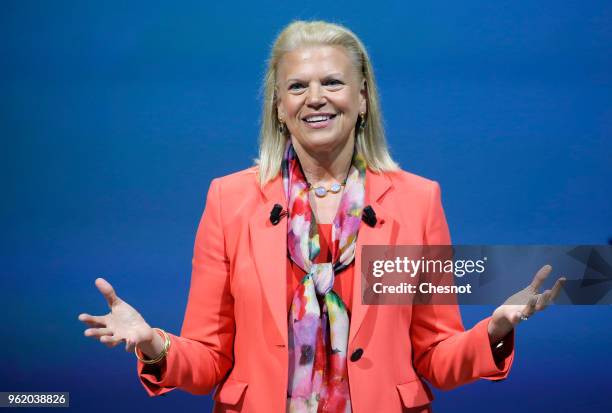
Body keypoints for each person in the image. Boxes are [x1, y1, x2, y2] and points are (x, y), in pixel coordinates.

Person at [78, 20, 566, 412]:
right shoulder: (229, 200)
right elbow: (209, 361)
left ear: (362, 99)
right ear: (278, 106)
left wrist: (495, 329)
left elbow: (436, 358)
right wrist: (153, 343)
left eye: (332, 82)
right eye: (297, 86)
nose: (315, 98)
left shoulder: (418, 201)